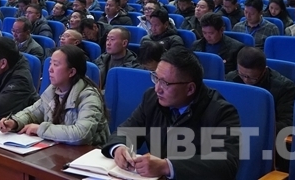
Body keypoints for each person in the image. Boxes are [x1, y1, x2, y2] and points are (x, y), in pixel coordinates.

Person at [102, 46, 240, 179]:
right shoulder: (152, 98)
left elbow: (226, 165)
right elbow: (126, 131)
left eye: (165, 83)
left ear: (190, 89)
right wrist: (119, 148)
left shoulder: (222, 112)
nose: (157, 89)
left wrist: (167, 166)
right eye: (156, 78)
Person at [0, 45, 110, 146]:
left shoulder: (89, 97)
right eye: (50, 63)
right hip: (61, 149)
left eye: (55, 65)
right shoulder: (53, 89)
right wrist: (15, 122)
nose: (50, 69)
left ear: (71, 72)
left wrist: (40, 129)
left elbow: (81, 134)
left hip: (87, 154)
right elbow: (33, 113)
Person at [226, 47, 295, 135]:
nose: (246, 80)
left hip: (265, 135)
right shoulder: (230, 79)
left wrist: (256, 129)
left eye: (252, 78)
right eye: (242, 75)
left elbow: (287, 124)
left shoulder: (285, 88)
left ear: (264, 70)